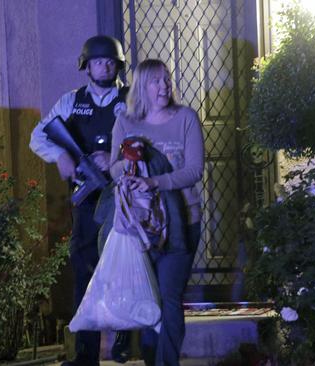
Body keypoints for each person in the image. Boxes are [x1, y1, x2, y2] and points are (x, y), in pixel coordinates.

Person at [29, 35, 131, 366]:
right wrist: (60, 153)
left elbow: (148, 140)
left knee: (125, 270)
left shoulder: (131, 100)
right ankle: (86, 355)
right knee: (84, 273)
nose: (104, 66)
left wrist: (113, 157)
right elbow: (38, 136)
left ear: (118, 65)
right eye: (98, 61)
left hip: (123, 198)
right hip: (87, 202)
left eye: (110, 61)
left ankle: (123, 344)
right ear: (86, 65)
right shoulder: (71, 101)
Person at [109, 59, 204, 366]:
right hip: (141, 226)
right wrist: (131, 162)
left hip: (182, 221)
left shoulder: (186, 118)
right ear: (141, 87)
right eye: (156, 81)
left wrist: (154, 181)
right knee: (148, 300)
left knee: (170, 298)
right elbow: (113, 169)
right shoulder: (125, 122)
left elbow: (193, 171)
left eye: (167, 80)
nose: (164, 86)